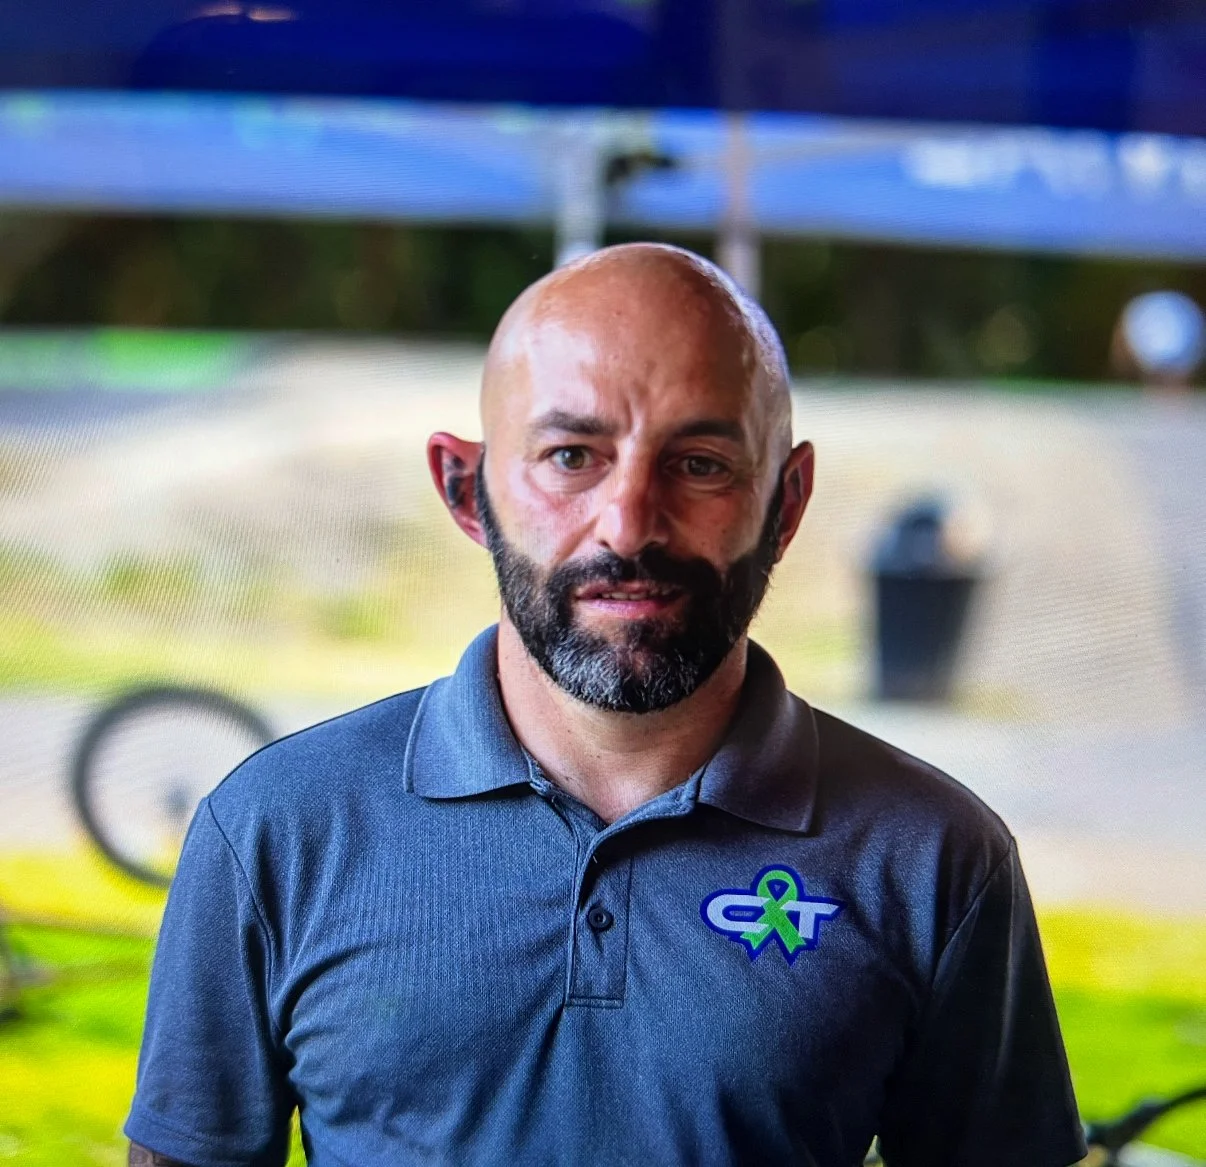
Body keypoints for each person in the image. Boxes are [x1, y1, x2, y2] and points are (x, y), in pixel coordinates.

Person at [126, 243, 1086, 1167]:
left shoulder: (935, 859)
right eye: (571, 455)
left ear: (786, 504)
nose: (629, 524)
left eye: (701, 462)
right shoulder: (276, 833)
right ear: (467, 489)